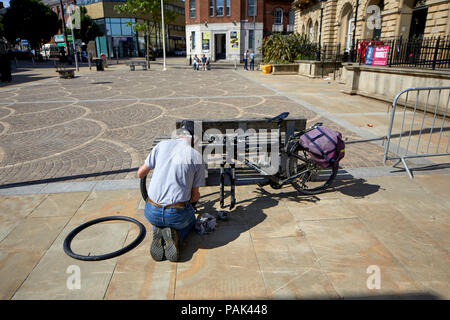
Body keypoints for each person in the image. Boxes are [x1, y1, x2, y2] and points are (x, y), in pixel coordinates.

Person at [137, 121, 205, 262]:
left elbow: (140, 173)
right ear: (195, 139)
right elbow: (194, 197)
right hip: (175, 214)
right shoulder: (196, 157)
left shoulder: (161, 145)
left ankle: (159, 230)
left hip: (150, 210)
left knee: (161, 219)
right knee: (191, 219)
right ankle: (176, 236)